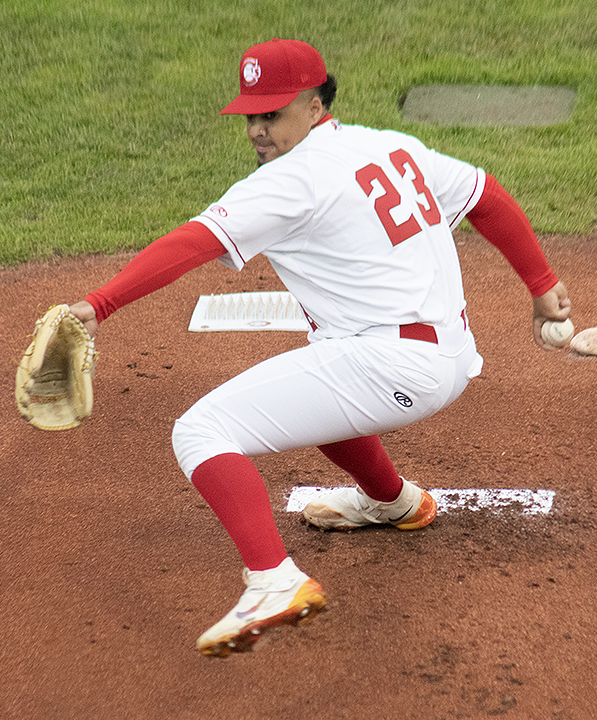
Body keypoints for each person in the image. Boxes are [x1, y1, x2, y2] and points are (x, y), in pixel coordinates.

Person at [67, 38, 571, 657]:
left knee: (201, 432)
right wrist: (543, 287)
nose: (257, 129)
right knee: (314, 367)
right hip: (441, 355)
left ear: (315, 102)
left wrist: (99, 305)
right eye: (250, 115)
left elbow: (191, 243)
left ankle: (273, 583)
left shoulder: (290, 180)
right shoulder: (389, 145)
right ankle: (395, 503)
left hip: (392, 364)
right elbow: (486, 197)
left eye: (272, 113)